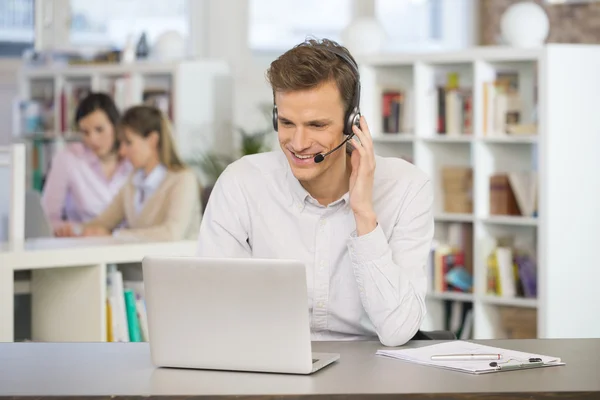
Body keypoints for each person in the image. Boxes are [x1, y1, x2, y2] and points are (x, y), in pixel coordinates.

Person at [196, 38, 434, 347]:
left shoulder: (406, 188)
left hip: (370, 372)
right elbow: (212, 305)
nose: (298, 142)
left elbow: (398, 330)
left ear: (353, 124)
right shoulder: (242, 183)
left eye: (317, 125)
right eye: (286, 123)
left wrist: (363, 213)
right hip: (266, 362)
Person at [59, 105, 201, 241]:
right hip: (136, 264)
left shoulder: (183, 180)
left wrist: (114, 235)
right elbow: (103, 222)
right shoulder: (133, 180)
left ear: (152, 140)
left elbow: (171, 233)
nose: (122, 151)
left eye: (128, 142)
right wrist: (76, 229)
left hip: (172, 265)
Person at [42, 92, 132, 234]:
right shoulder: (68, 158)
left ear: (115, 126)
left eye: (99, 130)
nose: (92, 139)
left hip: (128, 246)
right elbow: (47, 218)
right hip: (82, 246)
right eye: (85, 132)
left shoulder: (132, 160)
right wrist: (70, 230)